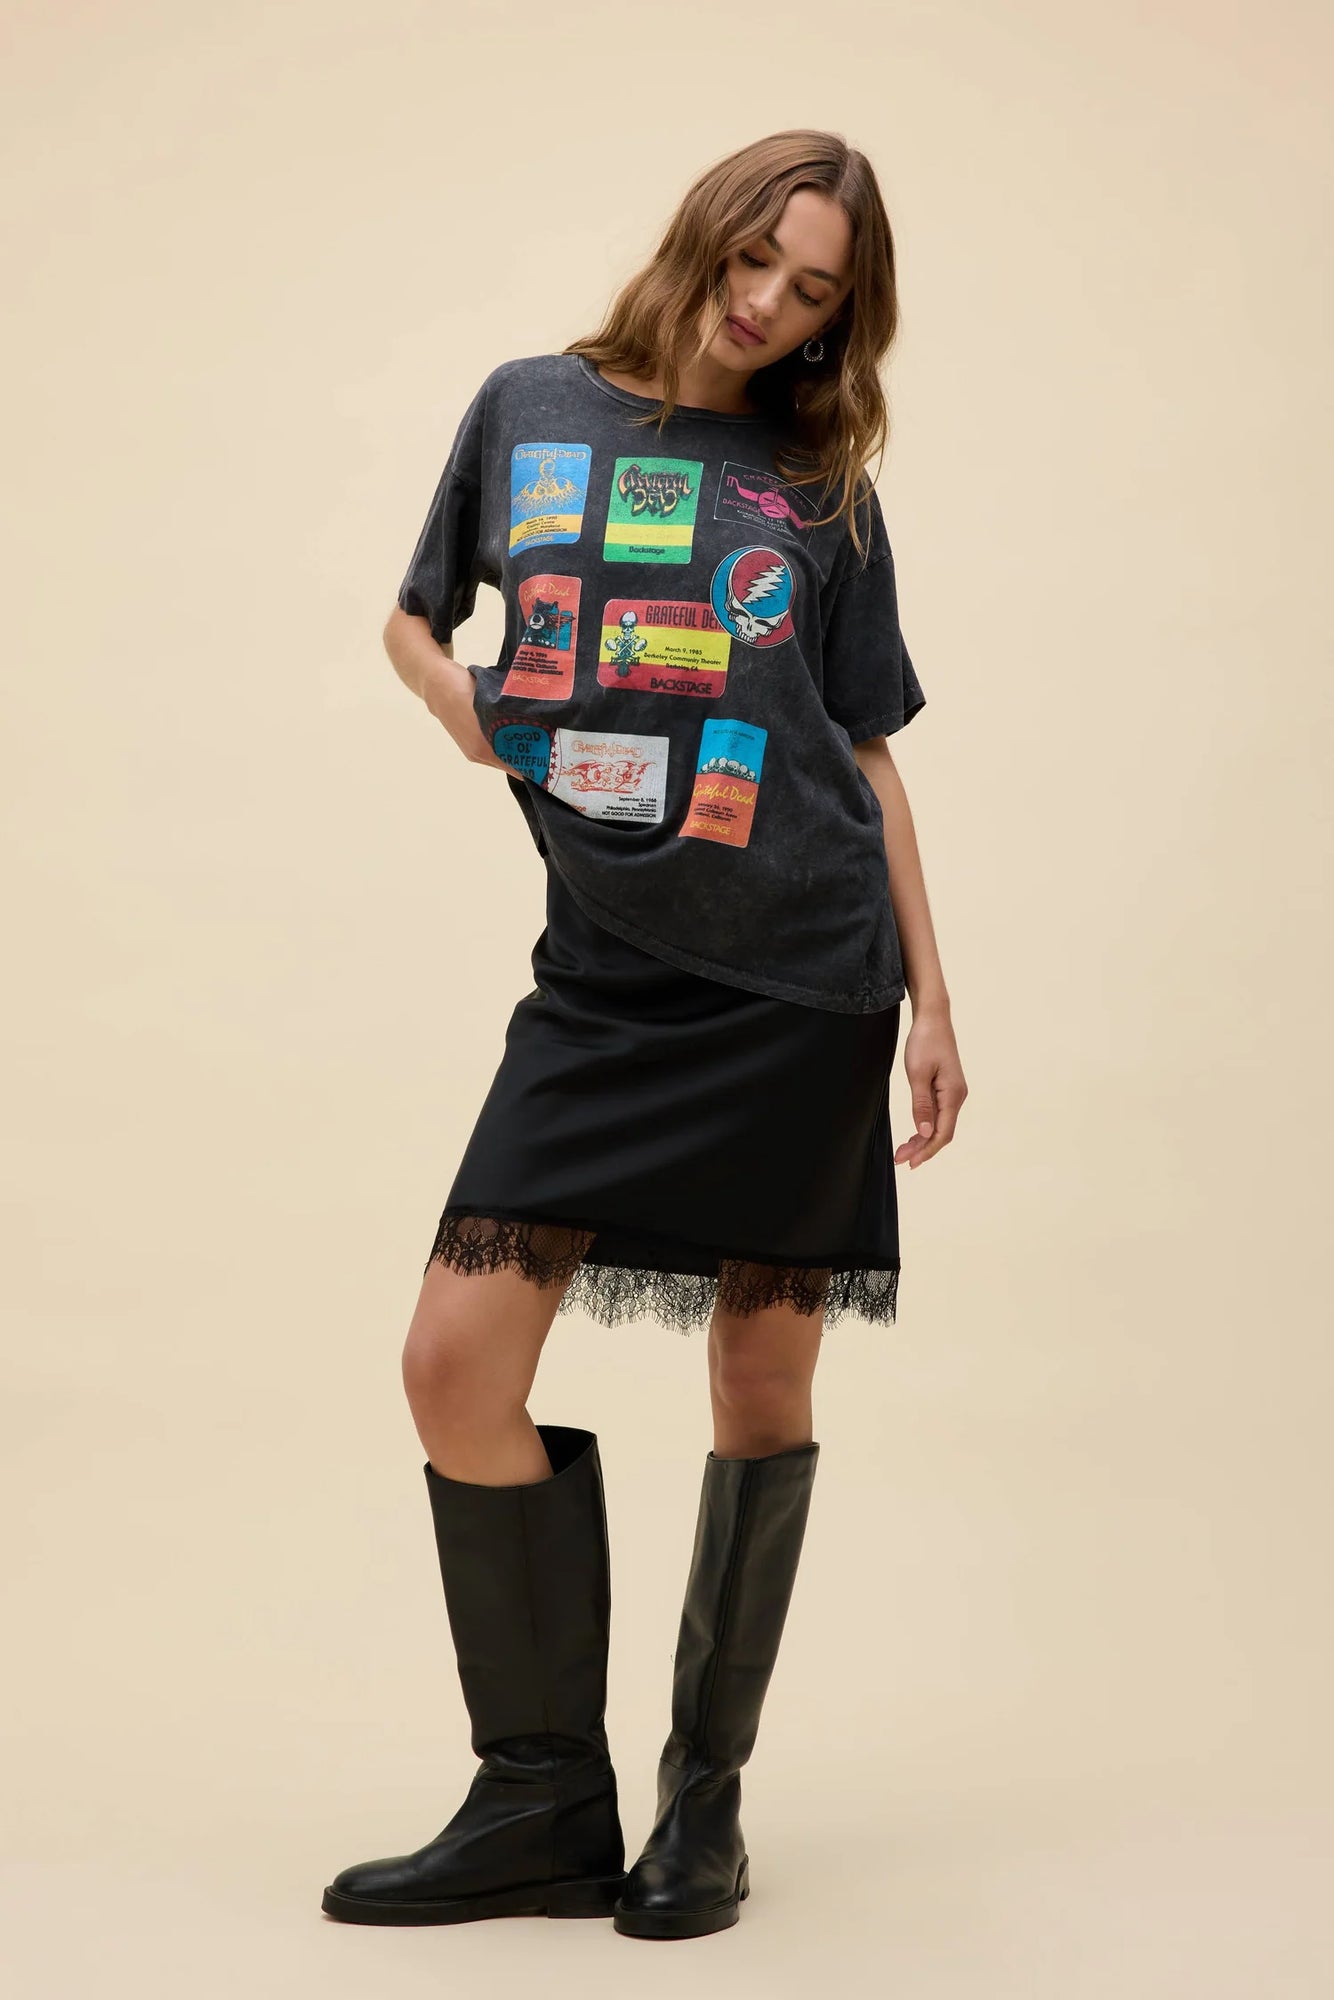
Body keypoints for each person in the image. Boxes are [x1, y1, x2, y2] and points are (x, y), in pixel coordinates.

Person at [320, 128, 968, 1942]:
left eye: (813, 292)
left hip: (800, 978)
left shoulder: (818, 485)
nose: (767, 306)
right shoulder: (530, 406)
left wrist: (932, 999)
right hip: (601, 980)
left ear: (839, 320)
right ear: (705, 233)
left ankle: (703, 1807)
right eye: (756, 259)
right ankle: (540, 1800)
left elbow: (860, 748)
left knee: (759, 1388)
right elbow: (410, 618)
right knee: (453, 1365)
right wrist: (459, 706)